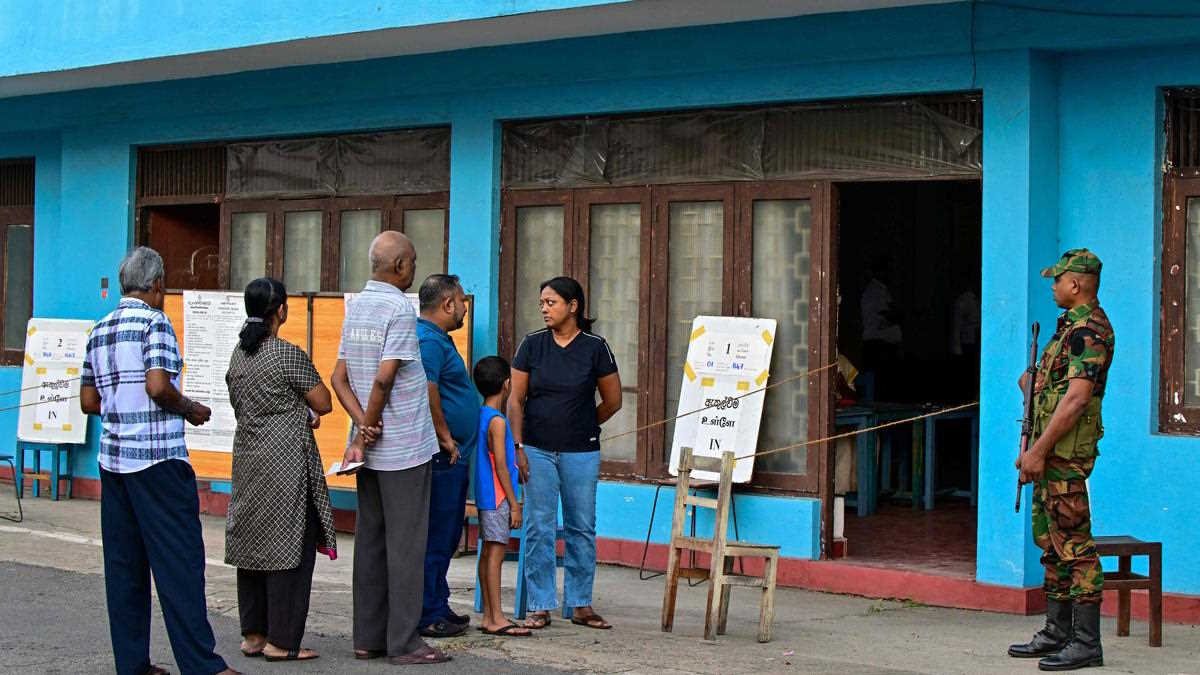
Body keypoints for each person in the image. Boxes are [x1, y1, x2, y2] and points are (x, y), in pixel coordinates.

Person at [78, 247, 238, 675]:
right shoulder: (155, 322)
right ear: (156, 285)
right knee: (180, 564)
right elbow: (157, 386)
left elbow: (88, 400)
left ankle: (133, 664)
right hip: (158, 461)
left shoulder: (99, 328)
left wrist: (121, 409)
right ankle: (201, 665)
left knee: (124, 568)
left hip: (114, 463)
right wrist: (191, 409)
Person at [330, 231, 450, 665]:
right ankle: (404, 642)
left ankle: (368, 638)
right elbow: (385, 377)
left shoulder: (357, 305)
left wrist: (361, 429)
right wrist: (369, 426)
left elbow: (339, 378)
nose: (414, 268)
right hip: (403, 448)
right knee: (405, 547)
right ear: (399, 265)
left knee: (371, 544)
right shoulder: (400, 308)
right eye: (413, 261)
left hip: (370, 451)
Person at [1008, 249, 1114, 671]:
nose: (1052, 286)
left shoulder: (1089, 331)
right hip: (1050, 454)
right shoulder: (1067, 329)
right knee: (1051, 542)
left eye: (1057, 280)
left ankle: (1086, 642)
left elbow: (1076, 400)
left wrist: (1037, 451)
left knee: (1075, 544)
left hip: (1063, 456)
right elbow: (1046, 387)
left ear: (1075, 284)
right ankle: (1056, 631)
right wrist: (1032, 385)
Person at [224, 277, 338, 662]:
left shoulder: (238, 355)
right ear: (282, 311)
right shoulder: (285, 354)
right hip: (286, 462)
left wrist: (293, 410)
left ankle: (254, 634)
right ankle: (283, 641)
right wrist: (301, 411)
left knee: (251, 544)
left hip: (247, 460)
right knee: (290, 546)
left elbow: (243, 404)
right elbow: (323, 402)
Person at [508, 276, 622, 631]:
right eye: (542, 303)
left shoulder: (595, 347)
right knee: (539, 526)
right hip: (536, 449)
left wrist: (584, 423)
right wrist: (518, 446)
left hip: (581, 452)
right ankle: (540, 605)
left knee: (581, 526)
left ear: (573, 306)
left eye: (551, 302)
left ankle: (580, 604)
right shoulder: (532, 345)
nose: (544, 309)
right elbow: (515, 400)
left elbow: (613, 401)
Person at [415, 274, 477, 638]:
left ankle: (438, 602)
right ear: (448, 303)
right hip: (443, 457)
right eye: (462, 301)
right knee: (437, 536)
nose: (465, 308)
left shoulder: (438, 338)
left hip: (453, 456)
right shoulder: (428, 340)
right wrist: (445, 437)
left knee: (448, 533)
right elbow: (427, 387)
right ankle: (428, 612)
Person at [472, 356, 533, 637]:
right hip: (498, 497)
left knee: (487, 554)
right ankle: (496, 616)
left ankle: (489, 615)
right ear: (507, 384)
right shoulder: (497, 421)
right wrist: (514, 504)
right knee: (495, 555)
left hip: (486, 494)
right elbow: (501, 467)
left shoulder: (482, 414)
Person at [859, 256, 903, 400]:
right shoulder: (875, 291)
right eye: (887, 271)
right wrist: (898, 314)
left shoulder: (881, 290)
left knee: (882, 387)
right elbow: (887, 314)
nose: (891, 274)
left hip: (882, 344)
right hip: (878, 344)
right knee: (879, 388)